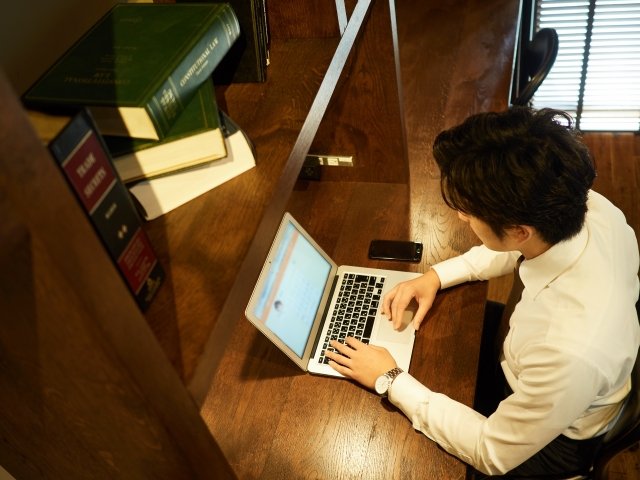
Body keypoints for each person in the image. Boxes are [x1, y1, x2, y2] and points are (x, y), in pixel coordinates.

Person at [325, 107, 640, 475]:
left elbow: (490, 451)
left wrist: (391, 379)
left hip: (555, 437)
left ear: (519, 229)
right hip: (532, 362)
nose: (461, 217)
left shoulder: (568, 350)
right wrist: (436, 277)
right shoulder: (592, 208)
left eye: (469, 211)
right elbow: (520, 250)